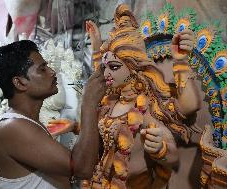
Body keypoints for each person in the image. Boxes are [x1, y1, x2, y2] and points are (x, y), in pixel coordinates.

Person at [83, 4, 201, 189]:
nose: (106, 73)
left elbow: (189, 107)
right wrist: (97, 48)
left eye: (113, 67)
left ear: (132, 68)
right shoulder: (110, 102)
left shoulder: (146, 106)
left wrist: (180, 61)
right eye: (105, 67)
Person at [0, 40, 106, 189]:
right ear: (19, 82)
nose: (52, 72)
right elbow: (82, 169)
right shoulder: (12, 128)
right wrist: (88, 103)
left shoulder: (27, 122)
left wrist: (76, 127)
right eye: (42, 69)